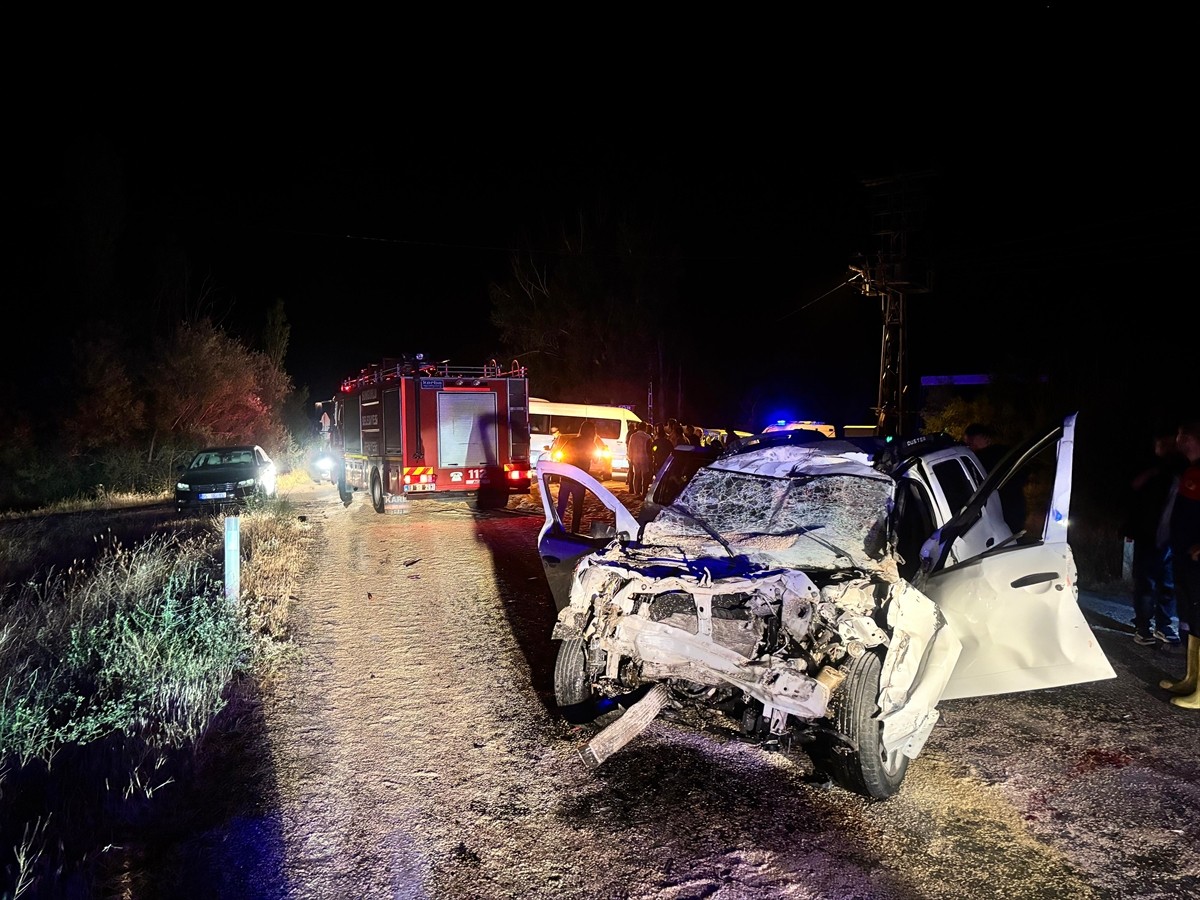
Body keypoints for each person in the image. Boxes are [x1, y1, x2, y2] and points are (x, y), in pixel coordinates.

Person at [1124, 426, 1183, 645]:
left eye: (1171, 444)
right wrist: (1130, 529)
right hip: (1148, 536)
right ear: (1155, 445)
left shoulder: (1180, 468)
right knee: (1145, 583)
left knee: (1168, 584)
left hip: (1171, 538)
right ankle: (1143, 626)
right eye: (1163, 444)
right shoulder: (1147, 467)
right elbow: (1133, 498)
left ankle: (1164, 625)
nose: (1168, 448)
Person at [1159, 419, 1200, 709]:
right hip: (1185, 553)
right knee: (1192, 617)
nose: (1178, 438)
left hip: (1198, 555)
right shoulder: (1189, 469)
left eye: (1183, 434)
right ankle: (1191, 679)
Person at [963, 422, 1028, 533]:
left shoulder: (977, 460)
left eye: (970, 442)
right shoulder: (1005, 451)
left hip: (1001, 510)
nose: (969, 445)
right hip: (1015, 507)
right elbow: (1025, 472)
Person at [555, 420, 597, 533]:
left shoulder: (572, 441)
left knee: (561, 506)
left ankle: (557, 529)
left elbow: (562, 455)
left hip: (566, 477)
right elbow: (596, 460)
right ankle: (575, 531)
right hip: (579, 480)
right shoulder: (591, 445)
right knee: (577, 508)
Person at [626, 420, 653, 499]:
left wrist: (630, 458)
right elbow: (649, 449)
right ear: (645, 428)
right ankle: (644, 492)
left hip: (635, 458)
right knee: (645, 476)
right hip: (644, 458)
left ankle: (636, 492)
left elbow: (630, 448)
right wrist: (651, 458)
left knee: (636, 475)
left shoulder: (633, 436)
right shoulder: (648, 437)